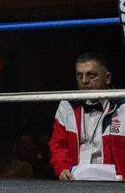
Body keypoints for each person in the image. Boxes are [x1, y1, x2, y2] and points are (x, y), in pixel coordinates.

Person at [48, 52, 124, 180]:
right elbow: (58, 145)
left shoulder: (123, 106)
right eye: (80, 76)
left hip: (117, 184)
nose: (84, 81)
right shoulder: (67, 105)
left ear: (107, 78)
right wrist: (62, 168)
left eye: (91, 75)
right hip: (76, 181)